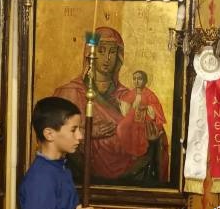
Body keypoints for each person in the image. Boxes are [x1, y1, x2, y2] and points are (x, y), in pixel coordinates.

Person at [54, 27, 168, 184]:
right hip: (79, 182)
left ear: (119, 56)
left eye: (112, 52)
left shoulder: (129, 97)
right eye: (101, 51)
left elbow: (152, 133)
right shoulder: (70, 92)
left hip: (130, 183)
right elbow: (54, 133)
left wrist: (153, 140)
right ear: (90, 54)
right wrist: (88, 132)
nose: (107, 58)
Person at [118, 69, 169, 180]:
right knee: (122, 128)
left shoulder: (149, 94)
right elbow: (125, 109)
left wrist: (146, 108)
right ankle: (131, 158)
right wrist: (125, 105)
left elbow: (155, 109)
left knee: (145, 137)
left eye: (139, 79)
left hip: (147, 123)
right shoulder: (131, 93)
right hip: (133, 122)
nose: (137, 81)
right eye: (135, 79)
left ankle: (143, 163)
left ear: (145, 81)